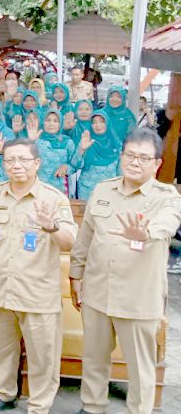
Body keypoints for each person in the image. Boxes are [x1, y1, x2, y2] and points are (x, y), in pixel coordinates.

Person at [70, 128, 181, 414]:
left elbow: (168, 223)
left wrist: (144, 235)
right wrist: (76, 275)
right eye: (130, 155)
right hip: (97, 291)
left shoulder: (166, 196)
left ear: (156, 163)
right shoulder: (104, 189)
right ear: (121, 157)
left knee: (140, 366)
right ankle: (92, 406)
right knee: (94, 357)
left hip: (138, 298)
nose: (135, 162)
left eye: (144, 158)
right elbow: (86, 237)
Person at [0, 137, 78, 414]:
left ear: (37, 163)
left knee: (43, 356)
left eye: (23, 160)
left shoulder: (53, 199)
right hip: (0, 288)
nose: (16, 165)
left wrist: (51, 226)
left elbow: (69, 242)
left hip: (37, 293)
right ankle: (3, 393)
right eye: (10, 160)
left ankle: (39, 405)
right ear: (3, 164)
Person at [72, 111, 122, 201]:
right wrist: (82, 149)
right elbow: (76, 165)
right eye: (94, 122)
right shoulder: (86, 142)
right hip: (87, 191)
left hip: (111, 191)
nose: (98, 125)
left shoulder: (117, 144)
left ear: (107, 123)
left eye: (102, 121)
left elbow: (121, 173)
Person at [35, 109, 77, 194]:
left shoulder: (67, 142)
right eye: (48, 120)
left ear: (60, 123)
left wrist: (66, 167)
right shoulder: (36, 142)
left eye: (55, 121)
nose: (51, 124)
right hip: (39, 187)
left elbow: (76, 165)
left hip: (61, 188)